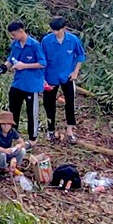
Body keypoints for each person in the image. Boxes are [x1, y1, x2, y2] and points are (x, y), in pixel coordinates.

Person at [40, 15, 86, 144]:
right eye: (53, 30)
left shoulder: (73, 40)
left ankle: (70, 130)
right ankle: (50, 130)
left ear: (64, 28)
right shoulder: (46, 41)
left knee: (70, 103)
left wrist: (75, 71)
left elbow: (80, 55)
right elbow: (41, 60)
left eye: (58, 30)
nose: (55, 32)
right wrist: (42, 78)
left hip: (67, 76)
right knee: (49, 104)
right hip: (51, 76)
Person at [5, 20, 47, 140]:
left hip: (31, 84)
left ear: (21, 31)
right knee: (13, 109)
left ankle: (32, 138)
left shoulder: (34, 45)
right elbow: (12, 58)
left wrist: (24, 66)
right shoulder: (15, 45)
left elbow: (42, 63)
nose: (13, 37)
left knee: (31, 112)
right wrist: (4, 66)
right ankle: (13, 134)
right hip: (18, 82)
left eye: (14, 35)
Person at [0, 111, 26, 176]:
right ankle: (3, 168)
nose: (6, 126)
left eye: (8, 124)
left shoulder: (12, 132)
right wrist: (4, 151)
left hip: (7, 152)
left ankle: (16, 166)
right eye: (3, 124)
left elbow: (22, 142)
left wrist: (19, 145)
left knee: (22, 150)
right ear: (0, 125)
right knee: (2, 155)